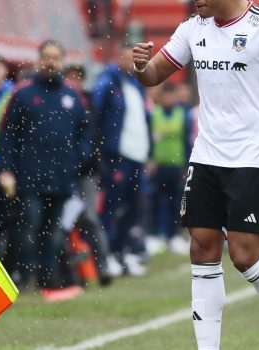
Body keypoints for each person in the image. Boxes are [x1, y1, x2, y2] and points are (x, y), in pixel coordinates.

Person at [132, 0, 259, 349]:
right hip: (205, 157)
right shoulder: (193, 27)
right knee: (202, 249)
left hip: (253, 158)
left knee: (245, 256)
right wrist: (141, 67)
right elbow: (154, 75)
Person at [0, 40, 91, 295]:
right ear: (39, 60)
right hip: (30, 175)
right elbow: (8, 134)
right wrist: (6, 168)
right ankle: (24, 276)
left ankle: (47, 278)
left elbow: (85, 133)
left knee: (54, 231)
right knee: (29, 225)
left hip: (62, 177)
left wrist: (79, 158)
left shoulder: (72, 96)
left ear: (62, 61)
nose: (51, 62)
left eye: (56, 58)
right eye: (46, 57)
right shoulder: (23, 94)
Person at [92, 43, 152, 277]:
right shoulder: (107, 83)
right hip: (117, 157)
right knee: (111, 207)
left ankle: (125, 251)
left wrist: (149, 153)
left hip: (138, 156)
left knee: (135, 206)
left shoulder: (137, 85)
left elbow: (143, 121)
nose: (131, 63)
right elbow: (96, 118)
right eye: (127, 58)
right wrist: (101, 153)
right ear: (118, 58)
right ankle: (107, 254)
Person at [64, 64, 114, 285]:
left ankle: (102, 265)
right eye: (70, 77)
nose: (74, 81)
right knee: (64, 223)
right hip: (63, 172)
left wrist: (89, 161)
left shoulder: (89, 102)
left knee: (90, 219)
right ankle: (72, 272)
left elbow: (94, 137)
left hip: (86, 172)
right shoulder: (59, 99)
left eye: (77, 77)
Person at [148, 82, 192, 255]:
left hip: (177, 166)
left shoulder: (182, 114)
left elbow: (186, 141)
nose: (168, 99)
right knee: (156, 202)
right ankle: (156, 235)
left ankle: (174, 235)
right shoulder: (154, 114)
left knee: (176, 203)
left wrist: (186, 164)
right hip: (158, 166)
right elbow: (149, 140)